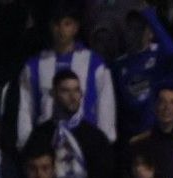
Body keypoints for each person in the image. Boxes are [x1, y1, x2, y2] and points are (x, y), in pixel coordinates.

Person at [15, 5, 116, 147]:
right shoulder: (34, 66)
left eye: (67, 24)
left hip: (86, 145)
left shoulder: (95, 64)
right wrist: (25, 143)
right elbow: (26, 108)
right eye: (57, 24)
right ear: (51, 26)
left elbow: (105, 105)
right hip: (47, 145)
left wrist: (104, 143)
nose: (61, 30)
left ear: (75, 27)